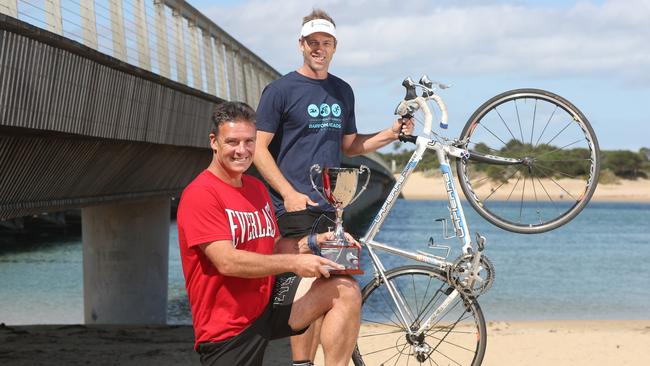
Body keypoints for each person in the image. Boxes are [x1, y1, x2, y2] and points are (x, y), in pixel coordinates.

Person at [254, 9, 414, 364]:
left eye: (326, 43)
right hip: (291, 211)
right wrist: (288, 192)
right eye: (313, 43)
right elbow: (257, 149)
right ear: (301, 45)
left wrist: (389, 134)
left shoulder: (342, 90)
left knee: (339, 292)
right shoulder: (280, 90)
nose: (319, 49)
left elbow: (350, 146)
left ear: (334, 47)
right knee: (306, 287)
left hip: (331, 210)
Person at [176, 101, 361, 366]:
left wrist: (315, 242)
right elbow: (227, 261)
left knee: (345, 289)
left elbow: (274, 247)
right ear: (214, 142)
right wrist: (295, 263)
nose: (242, 150)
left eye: (249, 141)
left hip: (267, 304)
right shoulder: (201, 194)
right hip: (227, 328)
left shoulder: (255, 188)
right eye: (232, 142)